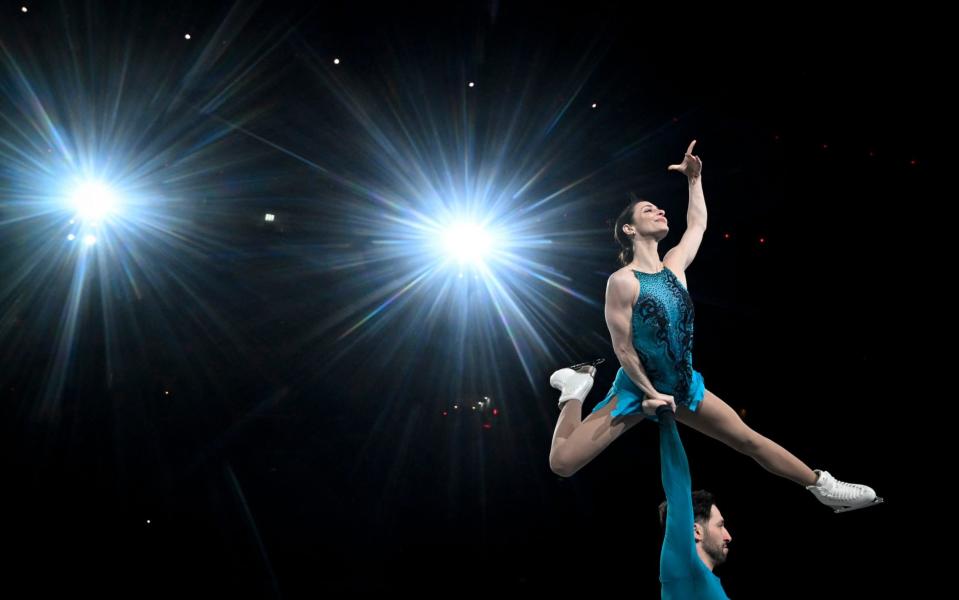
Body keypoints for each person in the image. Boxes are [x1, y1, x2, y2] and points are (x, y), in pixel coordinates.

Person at [547, 141, 881, 513]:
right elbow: (624, 349)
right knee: (562, 463)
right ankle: (575, 388)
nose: (659, 210)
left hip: (682, 384)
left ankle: (823, 486)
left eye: (659, 207)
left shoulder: (674, 265)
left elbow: (698, 223)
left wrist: (695, 179)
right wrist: (649, 394)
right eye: (648, 209)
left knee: (747, 440)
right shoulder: (623, 281)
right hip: (637, 387)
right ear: (629, 228)